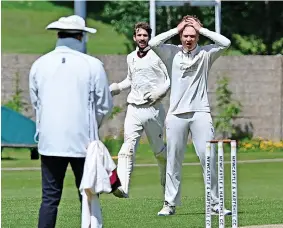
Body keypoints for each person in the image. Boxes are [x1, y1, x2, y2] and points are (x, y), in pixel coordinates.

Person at [29, 15, 113, 228]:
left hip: (49, 142)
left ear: (58, 35)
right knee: (88, 197)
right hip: (84, 143)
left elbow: (37, 103)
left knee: (49, 199)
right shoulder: (93, 65)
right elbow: (104, 105)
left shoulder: (39, 64)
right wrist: (92, 126)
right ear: (80, 36)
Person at [148, 15, 232, 216]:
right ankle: (169, 204)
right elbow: (153, 42)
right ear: (180, 37)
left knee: (208, 157)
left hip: (201, 112)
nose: (188, 39)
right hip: (176, 114)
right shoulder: (171, 53)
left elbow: (226, 43)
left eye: (192, 36)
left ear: (198, 38)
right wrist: (177, 29)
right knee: (173, 159)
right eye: (185, 36)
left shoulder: (206, 54)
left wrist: (201, 29)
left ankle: (215, 204)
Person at [109, 22, 170, 198]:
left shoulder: (159, 56)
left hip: (153, 110)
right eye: (139, 35)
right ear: (134, 37)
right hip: (134, 108)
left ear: (149, 37)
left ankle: (168, 188)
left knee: (159, 152)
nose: (142, 38)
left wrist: (159, 93)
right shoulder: (131, 57)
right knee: (127, 147)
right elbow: (131, 79)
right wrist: (117, 87)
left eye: (145, 35)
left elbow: (169, 80)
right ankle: (122, 187)